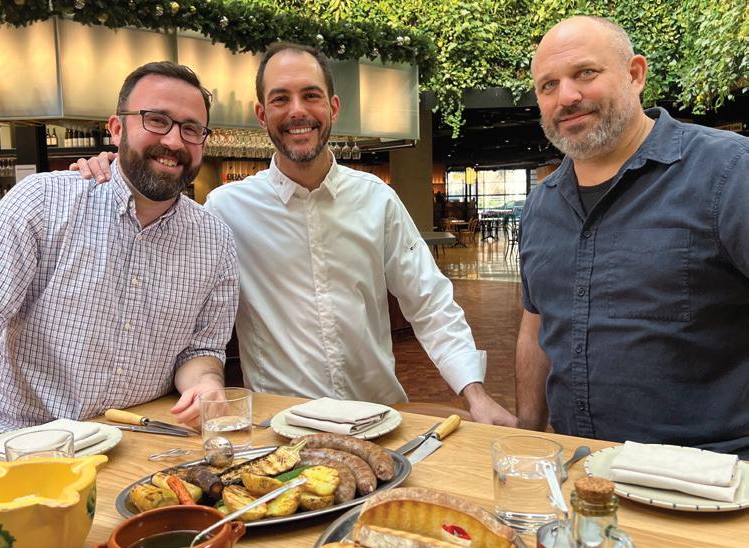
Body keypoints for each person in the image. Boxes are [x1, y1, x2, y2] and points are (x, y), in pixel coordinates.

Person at [76, 43, 516, 425]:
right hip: (281, 426)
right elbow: (160, 255)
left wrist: (475, 394)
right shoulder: (224, 210)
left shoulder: (376, 199)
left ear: (333, 108)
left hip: (379, 417)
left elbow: (430, 302)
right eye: (281, 99)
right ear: (262, 115)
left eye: (311, 95)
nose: (297, 111)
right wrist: (113, 170)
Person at [0, 61, 239, 503]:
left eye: (191, 128)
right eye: (157, 120)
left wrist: (205, 383)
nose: (174, 141)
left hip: (143, 453)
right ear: (117, 129)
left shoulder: (215, 239)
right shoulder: (44, 202)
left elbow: (200, 350)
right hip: (24, 455)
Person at [517, 16, 749, 456]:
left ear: (635, 74)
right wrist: (525, 435)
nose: (567, 96)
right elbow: (536, 326)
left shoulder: (729, 171)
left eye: (585, 73)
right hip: (579, 467)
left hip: (707, 476)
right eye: (549, 85)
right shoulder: (540, 206)